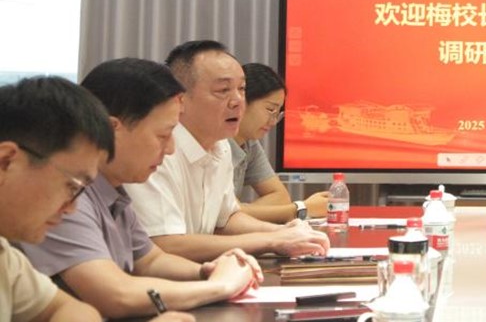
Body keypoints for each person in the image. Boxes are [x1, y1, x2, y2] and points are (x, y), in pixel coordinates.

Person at [20, 59, 263, 319]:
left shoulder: (113, 190)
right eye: (163, 135)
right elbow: (115, 295)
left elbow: (150, 260)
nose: (170, 149)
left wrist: (207, 270)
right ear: (111, 130)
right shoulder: (66, 197)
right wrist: (219, 286)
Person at [0, 76, 192, 322]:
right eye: (71, 186)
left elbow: (71, 309)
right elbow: (112, 296)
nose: (71, 208)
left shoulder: (6, 256)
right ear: (6, 161)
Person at [125, 40, 329, 262]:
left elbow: (226, 219)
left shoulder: (221, 144)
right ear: (180, 98)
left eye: (241, 89)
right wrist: (271, 240)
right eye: (223, 90)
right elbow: (166, 244)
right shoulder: (156, 150)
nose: (238, 101)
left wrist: (281, 231)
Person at [232, 63, 328, 223]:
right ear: (241, 101)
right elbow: (225, 214)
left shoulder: (250, 143)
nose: (273, 121)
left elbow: (280, 197)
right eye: (270, 110)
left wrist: (242, 212)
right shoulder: (214, 142)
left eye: (278, 114)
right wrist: (301, 208)